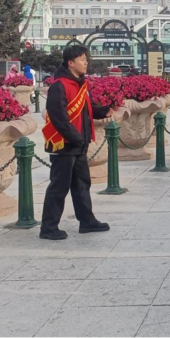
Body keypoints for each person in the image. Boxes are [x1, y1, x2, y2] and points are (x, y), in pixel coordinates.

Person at [40, 45, 113, 240]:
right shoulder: (59, 86)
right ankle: (48, 227)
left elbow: (87, 110)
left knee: (82, 185)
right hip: (65, 145)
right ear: (70, 63)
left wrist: (103, 110)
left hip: (79, 144)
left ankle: (87, 221)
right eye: (82, 59)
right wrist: (76, 138)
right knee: (59, 187)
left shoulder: (81, 84)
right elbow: (59, 118)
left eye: (86, 59)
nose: (86, 63)